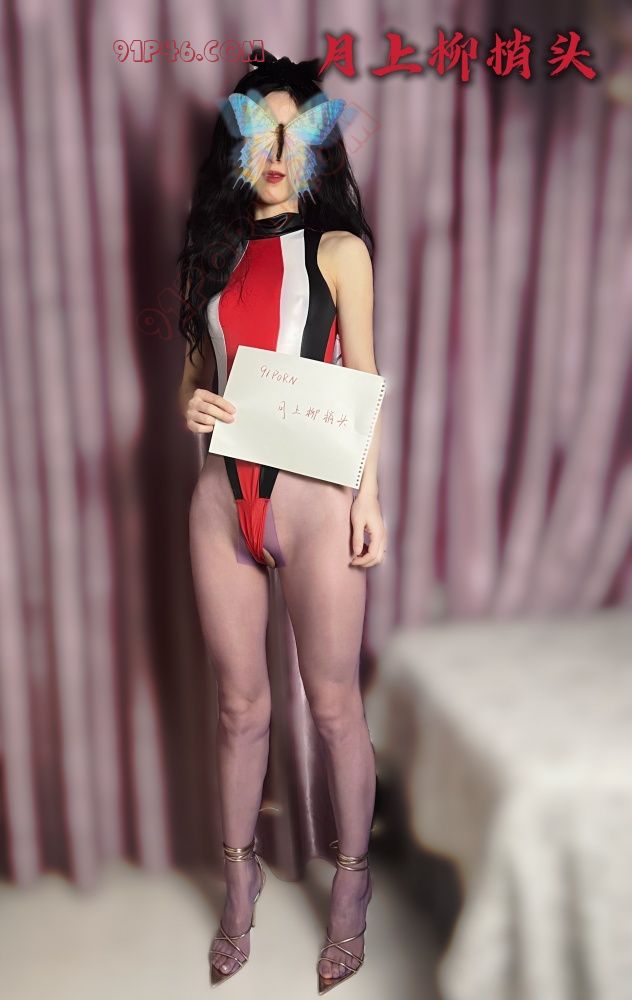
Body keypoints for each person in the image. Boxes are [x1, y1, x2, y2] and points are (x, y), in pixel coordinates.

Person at [177, 48, 386, 993]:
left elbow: (364, 383)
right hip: (220, 500)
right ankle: (239, 885)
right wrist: (190, 407)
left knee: (333, 705)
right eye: (259, 132)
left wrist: (368, 499)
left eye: (294, 134)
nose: (274, 150)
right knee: (239, 708)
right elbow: (195, 381)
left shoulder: (340, 252)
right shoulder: (212, 256)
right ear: (235, 146)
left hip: (313, 498)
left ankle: (352, 885)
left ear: (318, 147)